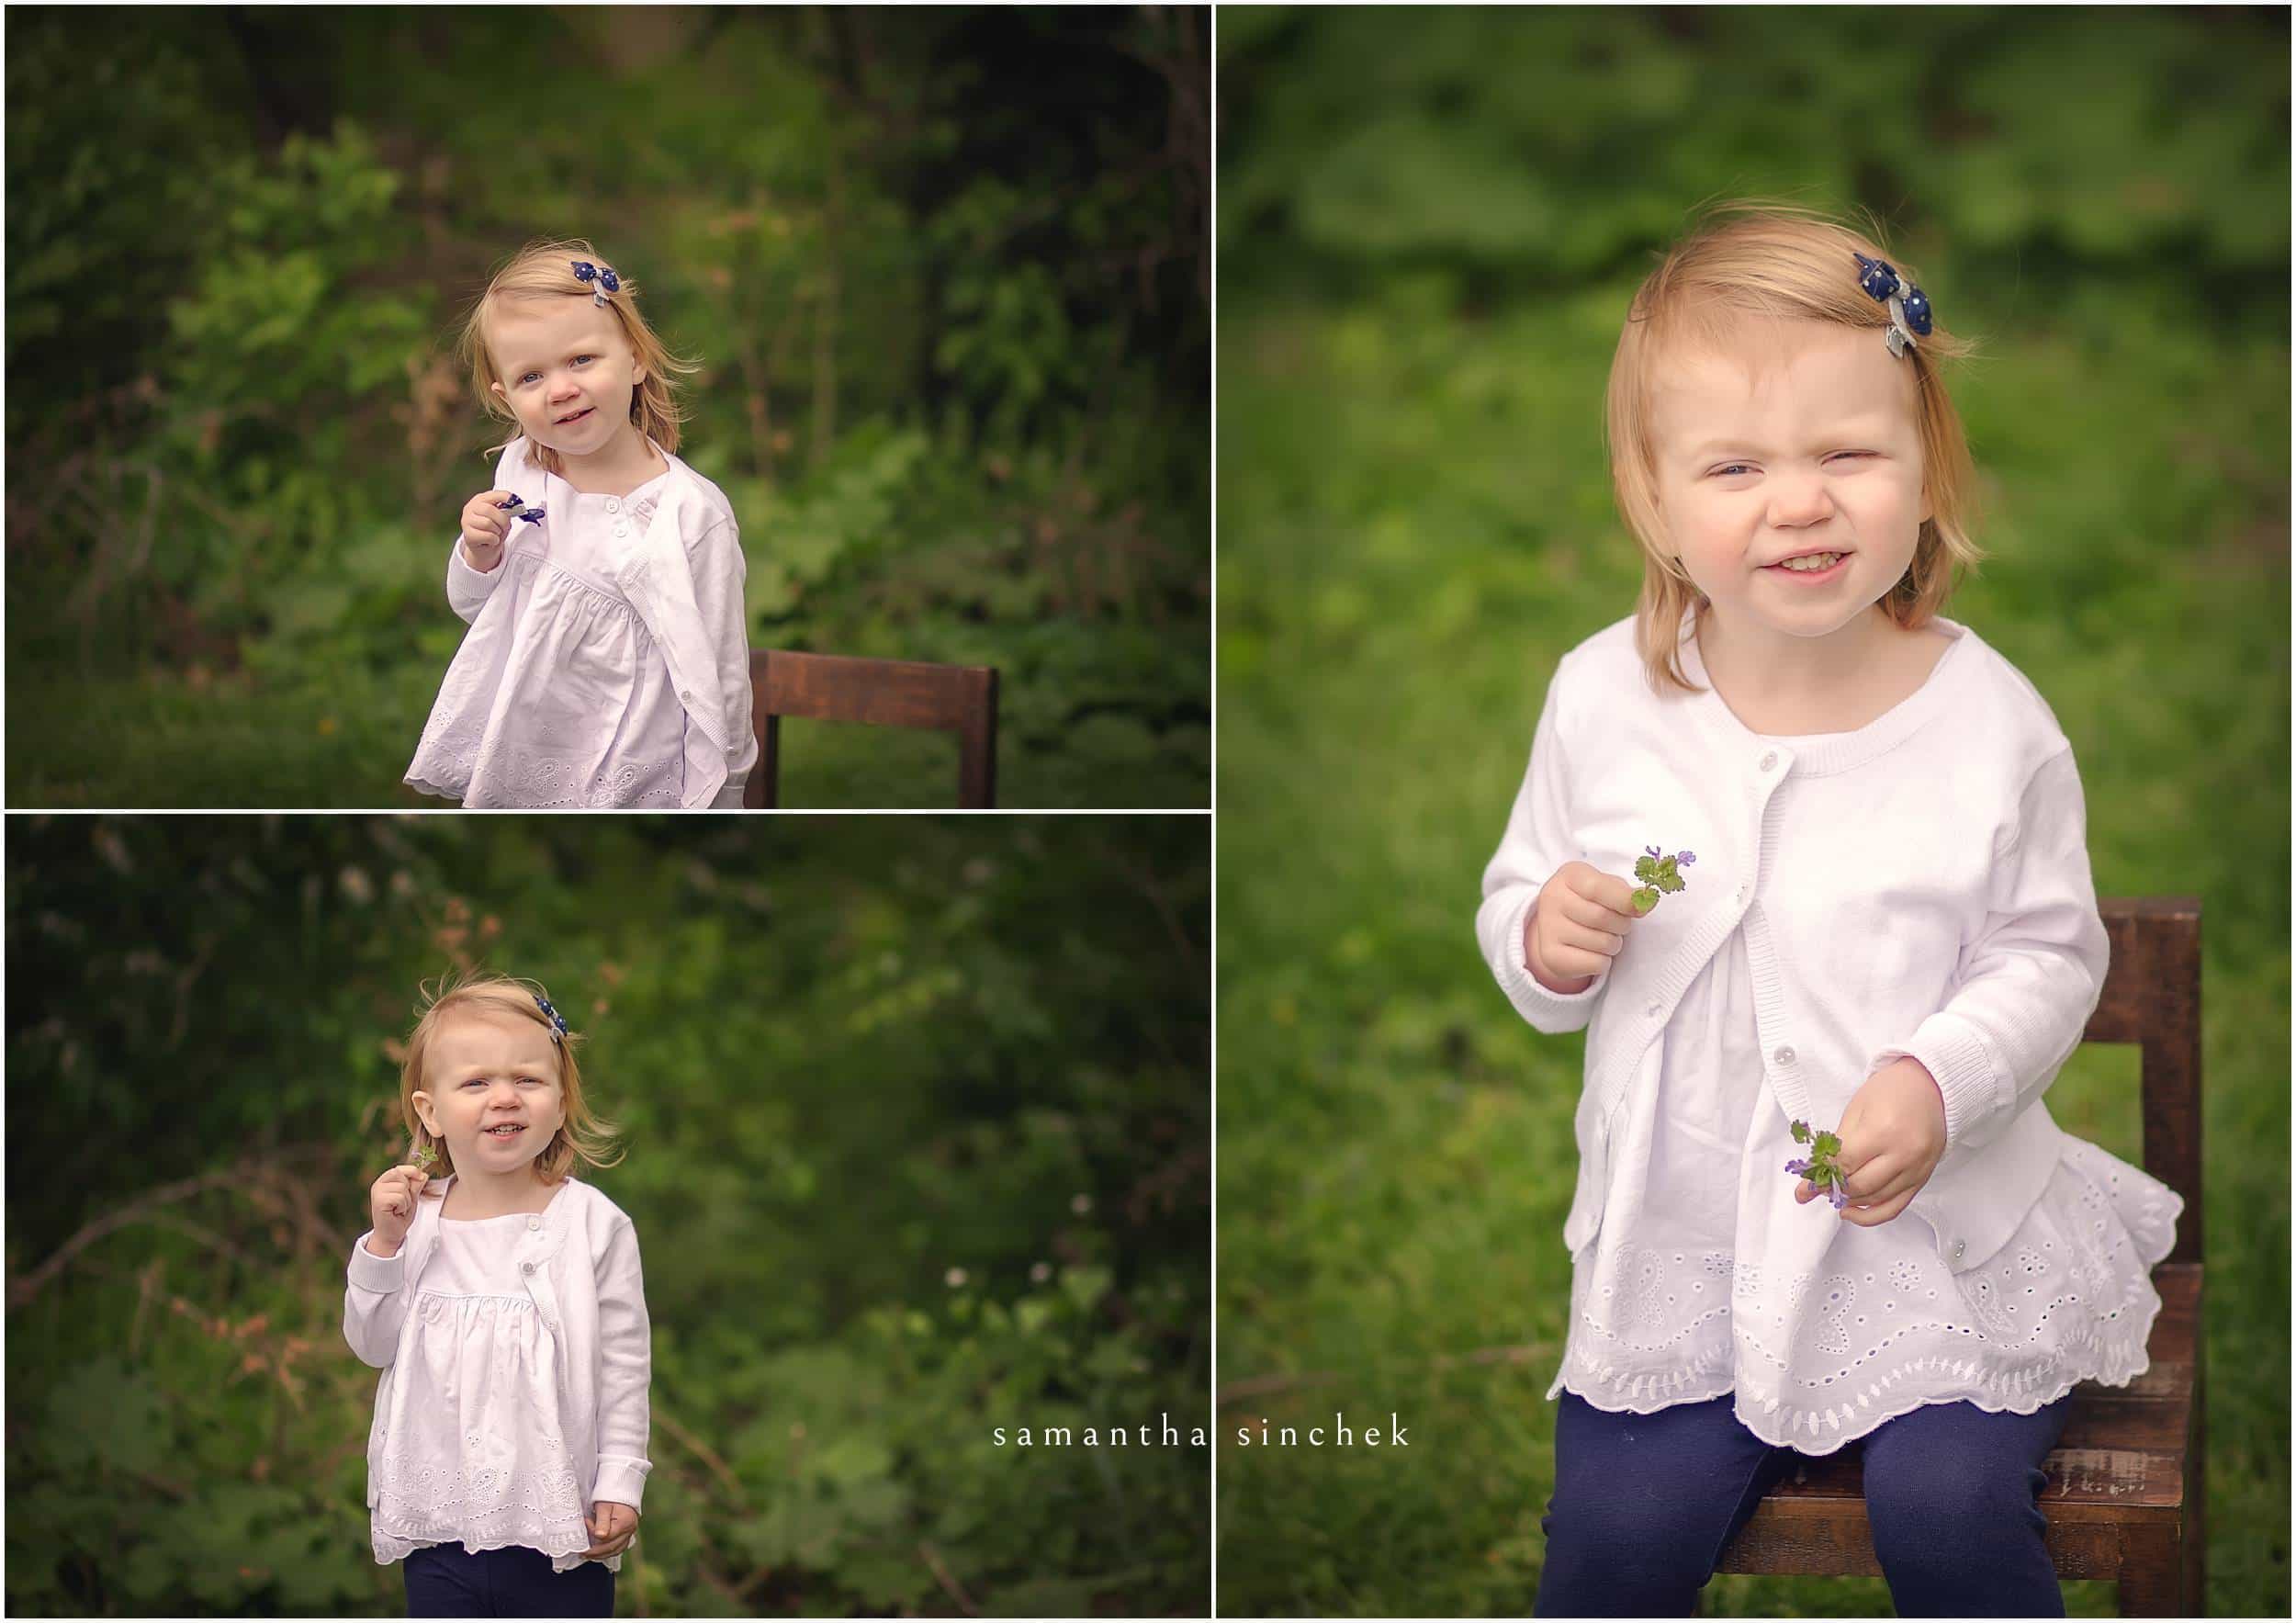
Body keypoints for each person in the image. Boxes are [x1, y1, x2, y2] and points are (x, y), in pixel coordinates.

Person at [1475, 201, 2182, 1618]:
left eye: (1847, 454)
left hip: (1934, 1245)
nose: (1799, 501)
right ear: (1654, 496)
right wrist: (1543, 937)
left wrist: (1939, 1073)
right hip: (1685, 1248)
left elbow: (2050, 949)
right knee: (1612, 1545)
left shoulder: (1988, 726)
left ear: (1926, 471)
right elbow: (1521, 891)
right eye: (1735, 465)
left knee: (1946, 1508)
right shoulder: (1601, 701)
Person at [406, 238, 757, 807]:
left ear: (636, 357)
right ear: (506, 399)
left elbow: (722, 668)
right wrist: (477, 554)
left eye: (581, 360)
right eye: (531, 378)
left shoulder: (690, 513)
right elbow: (474, 606)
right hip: (527, 749)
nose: (561, 389)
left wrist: (727, 786)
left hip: (634, 766)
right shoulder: (520, 472)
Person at [345, 975, 652, 1618]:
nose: (504, 1097)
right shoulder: (413, 1224)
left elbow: (624, 1367)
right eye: (477, 1081)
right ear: (430, 1110)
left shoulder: (594, 1225)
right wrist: (383, 1245)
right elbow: (370, 1345)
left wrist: (620, 1481)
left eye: (528, 1079)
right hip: (439, 1527)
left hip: (561, 1528)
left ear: (561, 1099)